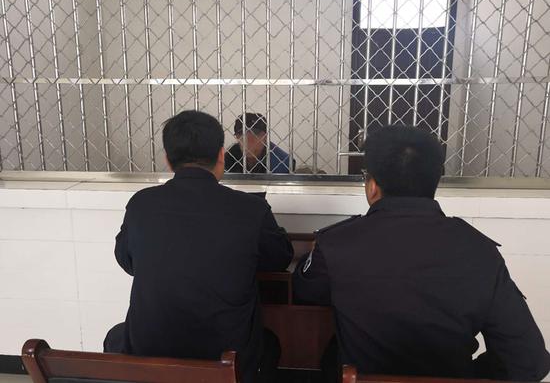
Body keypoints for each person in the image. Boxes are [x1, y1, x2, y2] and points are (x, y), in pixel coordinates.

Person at [293, 125, 550, 382]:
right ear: (434, 182)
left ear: (372, 187)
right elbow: (529, 362)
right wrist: (467, 376)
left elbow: (305, 293)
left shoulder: (337, 243)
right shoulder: (480, 251)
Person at [104, 111, 294, 383]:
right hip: (225, 364)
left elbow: (127, 261)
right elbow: (279, 259)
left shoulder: (141, 204)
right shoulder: (251, 209)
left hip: (150, 359)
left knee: (116, 336)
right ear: (221, 155)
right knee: (271, 343)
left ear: (168, 159)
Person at [225, 113, 292, 173]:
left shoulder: (282, 162)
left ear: (265, 137)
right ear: (237, 137)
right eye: (243, 134)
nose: (249, 140)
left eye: (255, 134)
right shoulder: (228, 157)